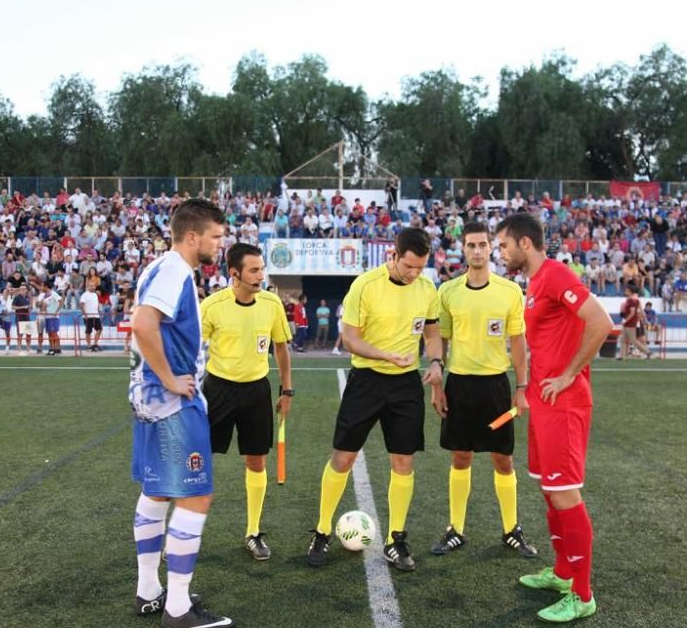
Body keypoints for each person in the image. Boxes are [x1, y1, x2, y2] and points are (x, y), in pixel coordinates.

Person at [496, 212, 613, 623]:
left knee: (565, 492)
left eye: (504, 245)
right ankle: (563, 573)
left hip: (565, 403)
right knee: (549, 489)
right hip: (545, 402)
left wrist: (568, 375)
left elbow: (601, 323)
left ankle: (582, 595)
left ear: (524, 243)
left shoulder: (557, 274)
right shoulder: (534, 283)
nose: (501, 253)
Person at [307, 227, 443, 572]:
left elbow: (431, 331)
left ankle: (395, 539)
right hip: (366, 381)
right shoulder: (365, 285)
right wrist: (385, 356)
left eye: (420, 267)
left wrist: (437, 362)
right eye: (408, 266)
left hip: (406, 386)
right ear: (393, 255)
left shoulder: (428, 289)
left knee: (403, 462)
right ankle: (322, 531)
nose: (414, 273)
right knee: (344, 457)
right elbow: (350, 339)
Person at [128, 198, 233, 628]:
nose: (220, 245)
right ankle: (177, 609)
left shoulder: (157, 267)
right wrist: (171, 378)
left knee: (156, 492)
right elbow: (142, 323)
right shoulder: (174, 270)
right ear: (192, 237)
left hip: (148, 402)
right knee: (195, 495)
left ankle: (149, 591)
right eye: (215, 237)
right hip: (171, 403)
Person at [430, 221, 538, 558]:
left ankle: (511, 530)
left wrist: (521, 387)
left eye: (483, 245)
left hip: (495, 386)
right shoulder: (447, 292)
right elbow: (439, 341)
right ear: (462, 250)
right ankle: (456, 529)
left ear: (491, 248)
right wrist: (438, 384)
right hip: (459, 384)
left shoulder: (509, 292)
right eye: (471, 245)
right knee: (460, 456)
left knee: (502, 459)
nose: (477, 251)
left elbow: (518, 343)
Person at [200, 243, 293, 561]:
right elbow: (190, 349)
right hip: (218, 390)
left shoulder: (271, 303)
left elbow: (281, 348)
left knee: (256, 461)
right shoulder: (212, 306)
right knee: (200, 461)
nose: (260, 275)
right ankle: (186, 532)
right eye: (254, 270)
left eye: (262, 268)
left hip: (256, 391)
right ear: (234, 273)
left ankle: (253, 532)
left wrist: (287, 390)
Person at [618, 285, 652, 360]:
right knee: (623, 340)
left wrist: (625, 320)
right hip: (629, 322)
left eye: (627, 290)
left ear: (630, 291)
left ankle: (647, 352)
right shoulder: (631, 300)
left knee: (634, 340)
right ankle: (621, 356)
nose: (625, 291)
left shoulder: (632, 301)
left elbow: (633, 313)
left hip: (631, 323)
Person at [40, 281, 63, 356]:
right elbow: (44, 306)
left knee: (54, 333)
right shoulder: (44, 295)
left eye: (43, 286)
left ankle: (57, 348)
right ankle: (52, 349)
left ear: (46, 286)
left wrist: (57, 311)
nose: (42, 288)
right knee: (49, 333)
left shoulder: (54, 294)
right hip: (47, 317)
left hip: (54, 317)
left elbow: (61, 301)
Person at [12, 284, 34, 356]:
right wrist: (23, 307)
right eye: (21, 289)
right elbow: (13, 307)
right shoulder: (17, 297)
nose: (23, 290)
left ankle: (28, 349)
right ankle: (19, 349)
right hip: (19, 317)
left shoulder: (28, 297)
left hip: (27, 317)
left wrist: (30, 308)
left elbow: (30, 308)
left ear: (26, 290)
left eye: (24, 289)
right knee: (20, 334)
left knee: (28, 334)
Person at [80, 283, 102, 352]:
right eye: (91, 286)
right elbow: (81, 304)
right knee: (88, 331)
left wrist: (99, 312)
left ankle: (95, 344)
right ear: (88, 286)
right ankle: (89, 346)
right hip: (88, 316)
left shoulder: (95, 295)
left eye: (93, 286)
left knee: (99, 329)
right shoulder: (85, 295)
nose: (92, 287)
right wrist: (85, 314)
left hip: (96, 315)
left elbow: (97, 304)